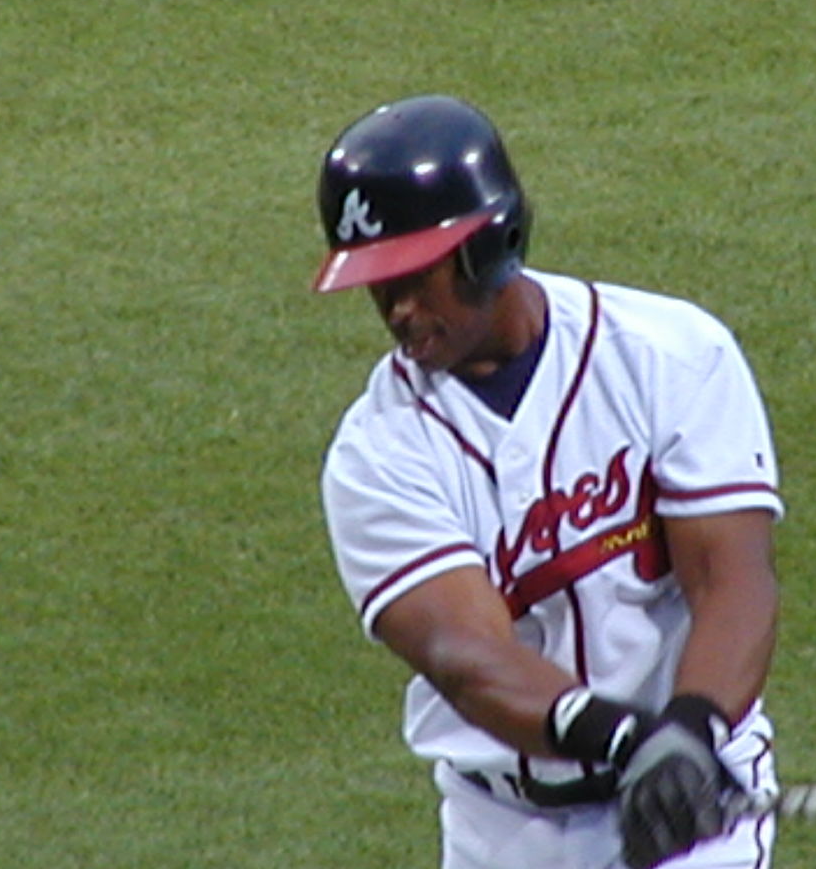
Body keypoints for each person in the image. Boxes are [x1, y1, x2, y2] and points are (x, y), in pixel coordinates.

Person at [312, 94, 784, 869]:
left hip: (693, 804)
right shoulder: (377, 454)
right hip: (506, 834)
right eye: (376, 283)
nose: (396, 308)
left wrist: (689, 732)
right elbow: (466, 655)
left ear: (493, 245)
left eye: (415, 276)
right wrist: (629, 739)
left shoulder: (668, 355)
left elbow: (731, 579)